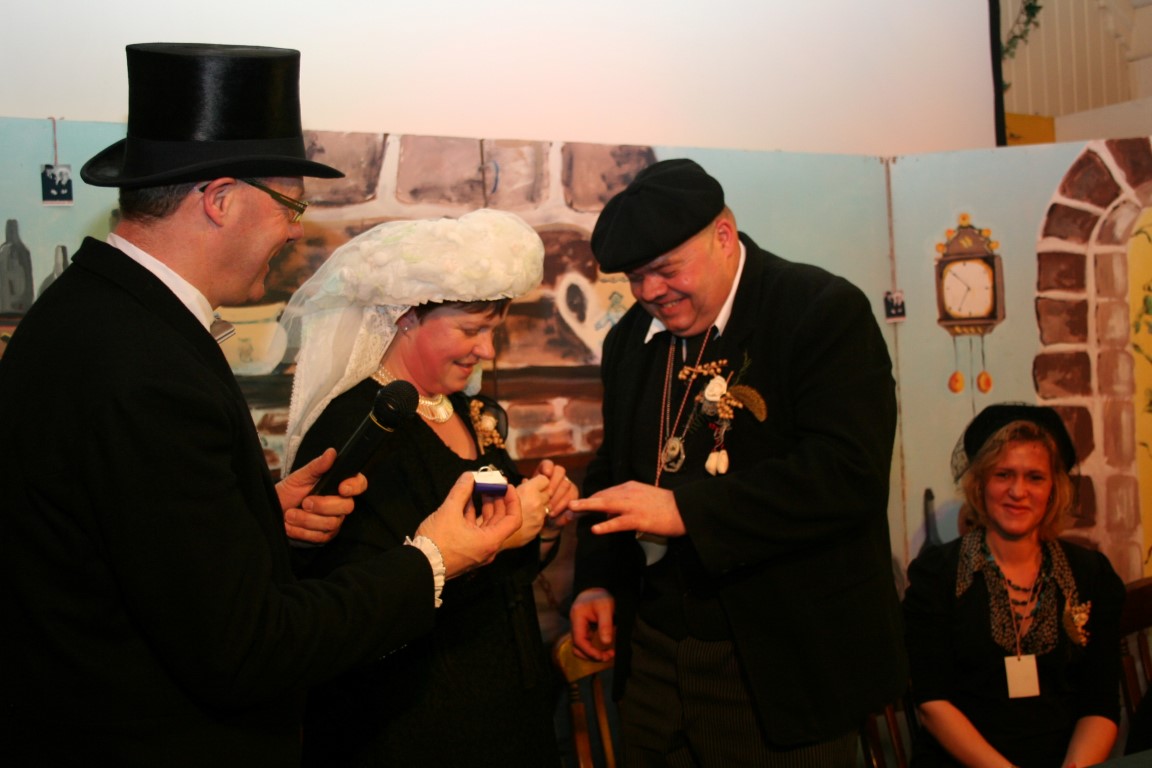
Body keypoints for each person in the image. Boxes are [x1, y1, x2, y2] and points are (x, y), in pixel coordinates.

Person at [0, 43, 521, 767]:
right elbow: (244, 648)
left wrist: (252, 519)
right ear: (220, 199)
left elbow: (135, 543)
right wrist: (436, 557)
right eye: (290, 205)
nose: (296, 230)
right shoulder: (146, 367)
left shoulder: (91, 315)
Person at [567, 158, 906, 766]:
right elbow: (614, 467)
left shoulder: (820, 310)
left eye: (666, 270)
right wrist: (597, 580)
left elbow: (845, 474)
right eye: (635, 277)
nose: (649, 293)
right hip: (653, 661)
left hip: (781, 666)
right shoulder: (629, 340)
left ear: (723, 236)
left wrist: (686, 511)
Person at [282, 209, 577, 767]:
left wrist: (540, 521)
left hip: (504, 705)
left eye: (493, 331)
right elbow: (352, 603)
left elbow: (503, 559)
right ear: (406, 318)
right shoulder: (355, 429)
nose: (487, 351)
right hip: (412, 723)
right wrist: (506, 534)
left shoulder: (469, 410)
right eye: (470, 330)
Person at [902, 403, 1124, 768]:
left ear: (1054, 488)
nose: (1018, 491)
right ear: (979, 483)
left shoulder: (1090, 574)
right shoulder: (937, 575)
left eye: (1035, 477)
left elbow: (1099, 705)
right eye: (1003, 474)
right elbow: (932, 704)